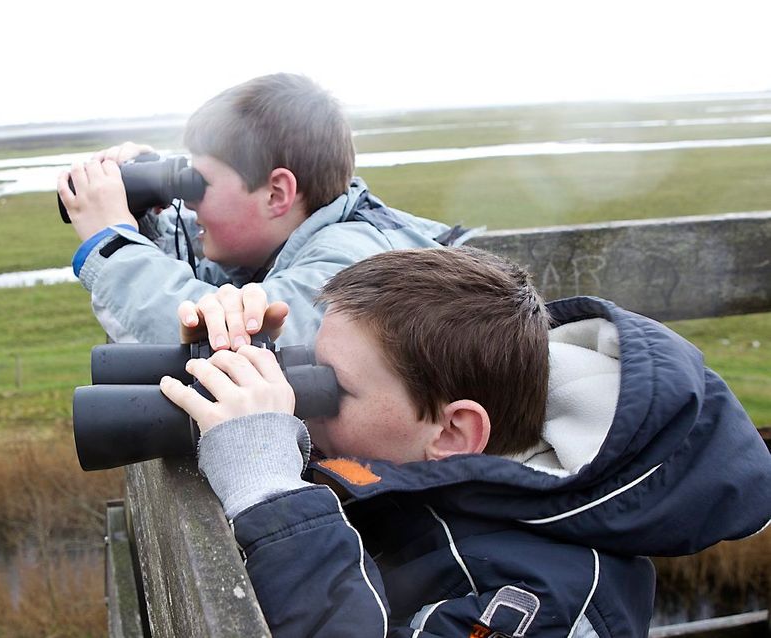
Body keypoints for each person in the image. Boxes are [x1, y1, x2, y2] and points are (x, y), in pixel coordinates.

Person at [160, 247, 771, 638]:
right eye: (308, 369)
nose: (305, 396)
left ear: (453, 431)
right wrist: (240, 362)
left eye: (331, 387)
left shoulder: (549, 603)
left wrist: (270, 492)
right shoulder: (434, 459)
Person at [57, 73, 460, 348]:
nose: (189, 201)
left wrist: (112, 243)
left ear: (276, 194)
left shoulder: (350, 269)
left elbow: (226, 342)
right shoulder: (290, 245)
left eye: (199, 183)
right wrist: (141, 220)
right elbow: (210, 291)